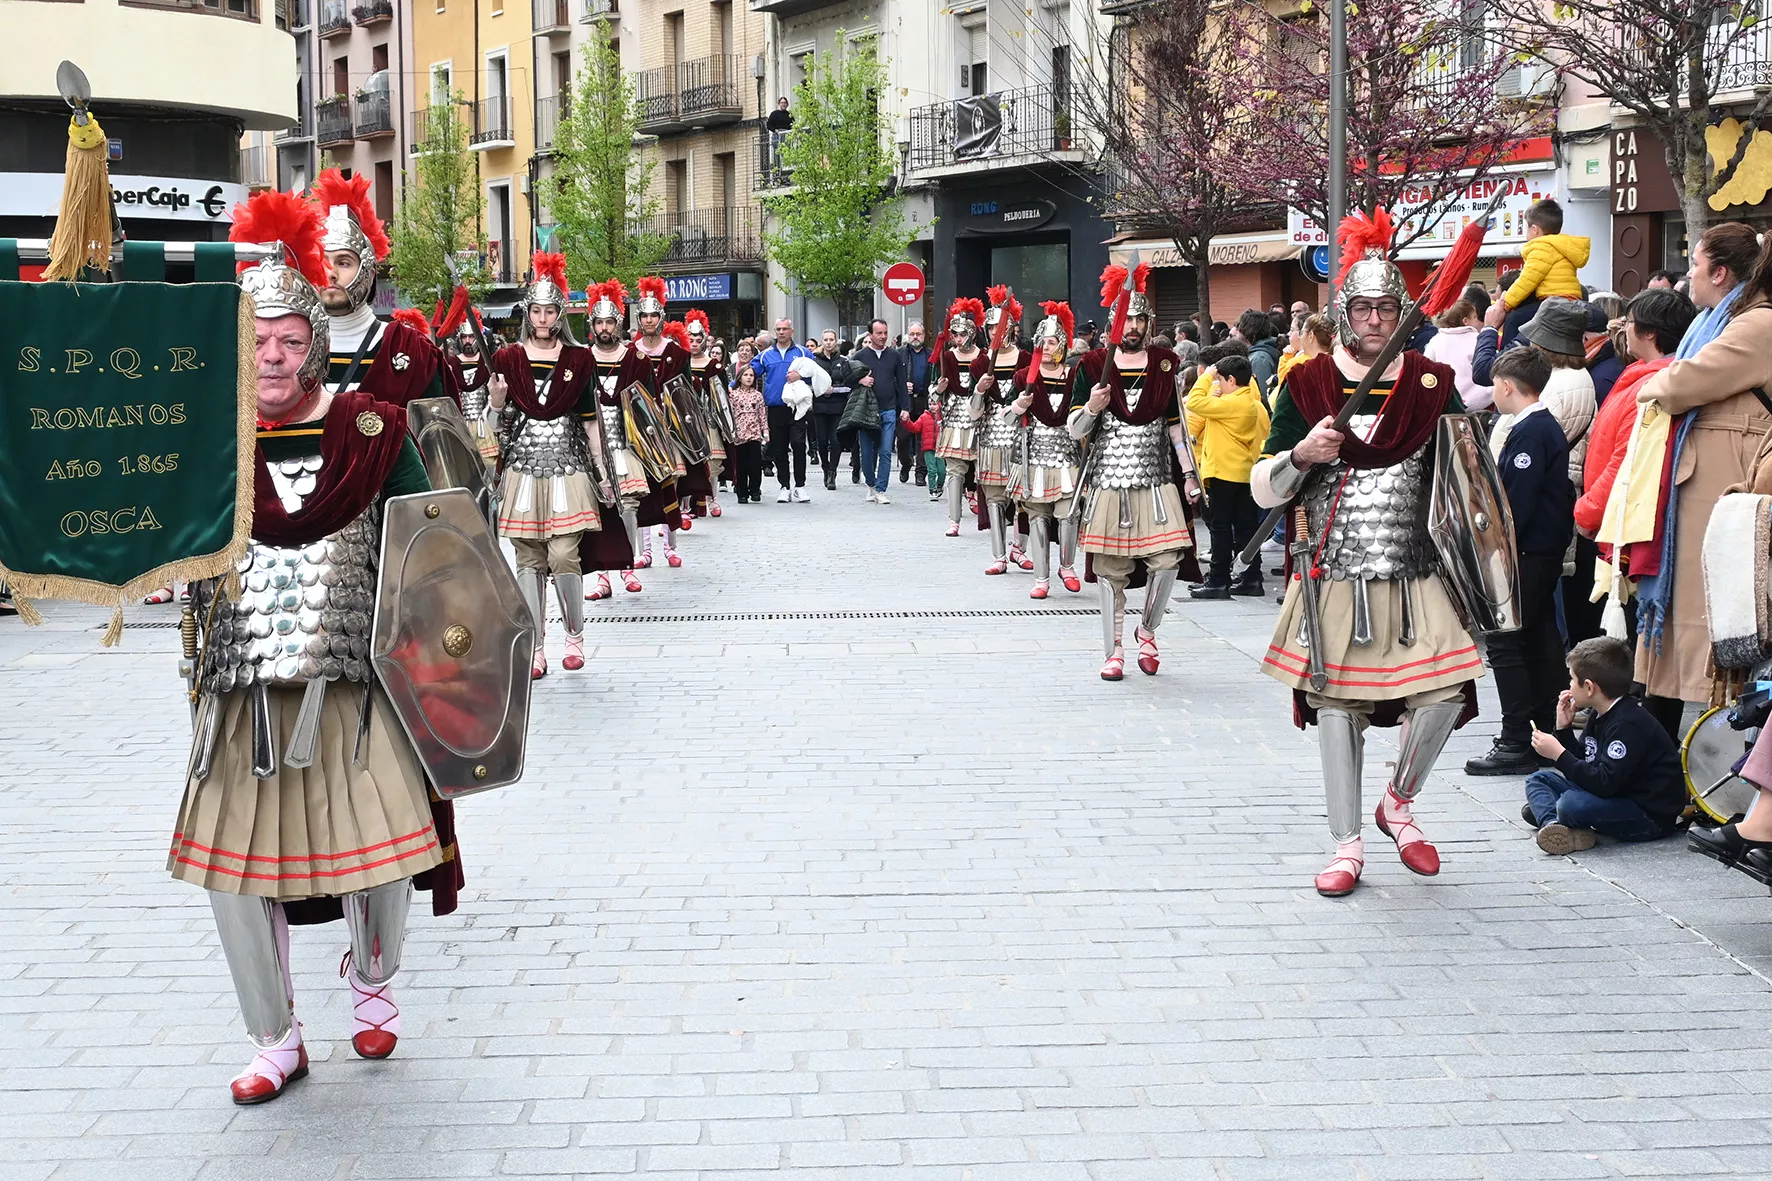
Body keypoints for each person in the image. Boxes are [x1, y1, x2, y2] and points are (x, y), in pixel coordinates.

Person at [178, 193, 460, 1104]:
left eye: (289, 339)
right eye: (258, 338)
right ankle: (276, 1038)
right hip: (241, 688)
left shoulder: (371, 430)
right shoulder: (209, 437)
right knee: (234, 869)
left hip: (357, 681)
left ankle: (372, 985)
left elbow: (435, 544)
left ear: (315, 346)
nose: (271, 354)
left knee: (383, 843)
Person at [1250, 210, 1476, 898]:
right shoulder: (1307, 383)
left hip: (1416, 570)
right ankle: (1346, 845)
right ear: (1344, 312)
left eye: (1386, 308)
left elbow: (1466, 482)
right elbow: (1264, 485)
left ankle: (1397, 804)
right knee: (1337, 707)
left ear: (1402, 311)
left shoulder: (1432, 383)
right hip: (1334, 573)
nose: (1375, 320)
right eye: (1363, 308)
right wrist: (1300, 454)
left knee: (1445, 693)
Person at [1629, 222, 1772, 721]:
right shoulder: (1726, 320)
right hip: (1713, 478)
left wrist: (1650, 382)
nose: (1687, 274)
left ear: (1720, 272)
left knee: (1716, 619)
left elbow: (1679, 385)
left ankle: (1708, 745)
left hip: (1726, 482)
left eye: (1694, 263)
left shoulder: (1756, 324)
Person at [1071, 263, 1203, 680]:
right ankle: (1113, 650)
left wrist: (1190, 475)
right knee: (1110, 571)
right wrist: (1092, 406)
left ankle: (1147, 630)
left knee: (1167, 561)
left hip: (1157, 480)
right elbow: (1074, 429)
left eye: (1139, 319)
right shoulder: (1092, 364)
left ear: (1148, 323)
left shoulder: (1165, 362)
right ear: (1115, 321)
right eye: (1126, 319)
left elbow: (1177, 427)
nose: (1133, 326)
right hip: (1109, 480)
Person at [488, 251, 600, 678]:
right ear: (527, 313)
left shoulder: (579, 360)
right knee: (529, 560)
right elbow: (494, 427)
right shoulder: (507, 360)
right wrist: (496, 404)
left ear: (559, 314)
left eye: (549, 310)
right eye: (536, 310)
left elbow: (589, 421)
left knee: (565, 554)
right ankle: (535, 645)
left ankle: (575, 637)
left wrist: (603, 471)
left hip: (568, 466)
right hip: (523, 468)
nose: (542, 317)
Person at [1466, 348, 1575, 776]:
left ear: (1508, 386)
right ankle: (1546, 732)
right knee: (1538, 639)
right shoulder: (1537, 426)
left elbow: (1517, 502)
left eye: (1495, 384)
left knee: (1505, 639)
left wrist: (1493, 545)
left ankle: (1516, 738)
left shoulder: (1531, 431)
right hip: (1538, 550)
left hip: (1527, 551)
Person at [1524, 637, 1685, 853]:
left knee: (1570, 804)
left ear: (1589, 687)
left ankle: (1555, 816)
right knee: (1538, 780)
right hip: (1614, 794)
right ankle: (1554, 826)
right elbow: (1585, 761)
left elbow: (1604, 783)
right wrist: (1563, 729)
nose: (1569, 685)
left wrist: (1559, 755)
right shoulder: (1600, 713)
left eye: (1572, 679)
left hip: (1647, 814)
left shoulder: (1628, 724)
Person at [309, 169, 442, 406]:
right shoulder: (288, 350)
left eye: (343, 262)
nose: (331, 273)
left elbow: (436, 426)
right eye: (323, 262)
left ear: (369, 273)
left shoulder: (410, 349)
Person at [579, 280, 652, 599]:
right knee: (598, 508)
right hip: (592, 442)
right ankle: (602, 577)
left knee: (629, 505)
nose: (604, 328)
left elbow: (650, 406)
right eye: (599, 322)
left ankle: (628, 566)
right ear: (592, 326)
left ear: (618, 324)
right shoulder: (581, 360)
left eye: (609, 322)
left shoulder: (636, 359)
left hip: (626, 443)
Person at [1007, 300, 1084, 598]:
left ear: (1062, 344)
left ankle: (1067, 566)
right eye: (1043, 342)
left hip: (1066, 456)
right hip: (1034, 456)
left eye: (1052, 342)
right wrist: (1019, 404)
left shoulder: (1075, 375)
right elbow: (1006, 417)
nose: (1047, 347)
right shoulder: (1024, 377)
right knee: (1037, 518)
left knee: (1069, 514)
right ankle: (1041, 579)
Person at [1186, 353, 1269, 600]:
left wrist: (1206, 376)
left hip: (1223, 472)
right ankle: (1251, 577)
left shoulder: (1233, 403)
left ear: (1231, 380)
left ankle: (1218, 580)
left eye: (1220, 380)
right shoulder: (1248, 402)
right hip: (1242, 473)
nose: (1217, 384)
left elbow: (1194, 402)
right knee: (1245, 528)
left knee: (1220, 528)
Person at [975, 290, 1032, 562]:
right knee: (995, 498)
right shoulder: (980, 363)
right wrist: (979, 389)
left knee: (1024, 498)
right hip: (992, 436)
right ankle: (998, 556)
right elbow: (974, 411)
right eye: (990, 328)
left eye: (999, 327)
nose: (994, 333)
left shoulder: (1026, 359)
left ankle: (1019, 549)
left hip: (1022, 434)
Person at [1496, 198, 1590, 348]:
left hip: (1554, 301)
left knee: (1514, 319)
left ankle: (1506, 357)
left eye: (1526, 228)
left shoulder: (1542, 248)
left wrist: (1505, 304)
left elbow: (1526, 281)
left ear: (1535, 230)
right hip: (1569, 298)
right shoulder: (1561, 246)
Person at [933, 298, 989, 536]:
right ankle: (954, 521)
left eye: (962, 334)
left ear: (972, 334)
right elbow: (933, 391)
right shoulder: (946, 358)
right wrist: (939, 389)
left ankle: (990, 515)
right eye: (954, 334)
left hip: (982, 419)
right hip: (955, 419)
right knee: (955, 472)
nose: (957, 339)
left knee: (985, 471)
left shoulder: (985, 357)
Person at [753, 318, 812, 500]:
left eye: (785, 329)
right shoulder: (765, 355)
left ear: (791, 331)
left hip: (797, 406)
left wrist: (800, 376)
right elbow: (749, 373)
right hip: (775, 407)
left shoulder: (803, 352)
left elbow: (815, 374)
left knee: (798, 444)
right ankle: (784, 486)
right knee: (779, 448)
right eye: (778, 329)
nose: (781, 332)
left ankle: (800, 485)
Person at [853, 318, 909, 504]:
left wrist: (905, 407)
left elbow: (901, 382)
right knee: (866, 453)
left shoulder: (894, 355)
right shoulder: (860, 356)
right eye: (879, 333)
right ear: (870, 335)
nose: (883, 336)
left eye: (885, 332)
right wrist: (860, 380)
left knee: (885, 451)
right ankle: (871, 483)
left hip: (889, 409)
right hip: (866, 411)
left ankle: (881, 489)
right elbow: (846, 378)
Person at [683, 309, 725, 517]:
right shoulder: (680, 362)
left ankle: (712, 500)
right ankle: (684, 506)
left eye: (698, 340)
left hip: (707, 417)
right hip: (684, 418)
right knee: (686, 462)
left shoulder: (713, 365)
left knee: (711, 462)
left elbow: (722, 395)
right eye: (690, 340)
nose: (694, 344)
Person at [811, 329, 861, 490]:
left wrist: (835, 390)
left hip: (838, 406)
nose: (828, 343)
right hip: (819, 406)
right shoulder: (814, 361)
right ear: (822, 342)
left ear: (836, 341)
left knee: (835, 441)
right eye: (825, 340)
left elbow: (850, 384)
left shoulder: (844, 361)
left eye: (831, 339)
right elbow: (809, 383)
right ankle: (825, 468)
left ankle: (832, 472)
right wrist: (820, 390)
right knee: (822, 441)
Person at [1423, 299, 1494, 412]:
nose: (1478, 321)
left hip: (1450, 402)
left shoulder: (1435, 341)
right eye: (1475, 317)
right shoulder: (1477, 339)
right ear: (1465, 321)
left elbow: (1426, 368)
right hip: (1483, 401)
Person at [448, 322, 499, 473]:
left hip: (484, 421)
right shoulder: (451, 363)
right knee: (463, 466)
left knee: (489, 465)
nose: (468, 341)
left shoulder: (488, 363)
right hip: (460, 421)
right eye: (464, 337)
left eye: (471, 336)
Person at [727, 364, 769, 503]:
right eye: (746, 375)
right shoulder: (733, 395)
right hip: (739, 434)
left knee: (755, 464)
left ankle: (755, 490)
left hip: (754, 433)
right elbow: (730, 414)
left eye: (751, 375)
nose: (749, 378)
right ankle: (742, 492)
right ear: (739, 378)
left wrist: (765, 431)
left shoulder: (757, 395)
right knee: (741, 465)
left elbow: (762, 414)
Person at [900, 320, 934, 484]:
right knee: (903, 438)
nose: (915, 337)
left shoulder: (931, 354)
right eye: (912, 334)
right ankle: (906, 463)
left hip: (924, 400)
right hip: (905, 402)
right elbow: (892, 376)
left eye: (918, 334)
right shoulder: (899, 354)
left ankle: (921, 473)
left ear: (924, 335)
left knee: (923, 440)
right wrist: (902, 384)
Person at [1234, 309, 1282, 399]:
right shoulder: (1258, 353)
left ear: (1247, 329)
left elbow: (1262, 394)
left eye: (1238, 328)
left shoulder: (1259, 358)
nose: (1235, 332)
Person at [900, 400, 941, 502]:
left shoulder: (943, 417)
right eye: (930, 404)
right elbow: (915, 428)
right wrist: (907, 421)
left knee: (942, 471)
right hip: (928, 448)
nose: (932, 407)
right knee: (932, 470)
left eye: (934, 404)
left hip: (941, 448)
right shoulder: (924, 417)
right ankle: (933, 490)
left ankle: (939, 486)